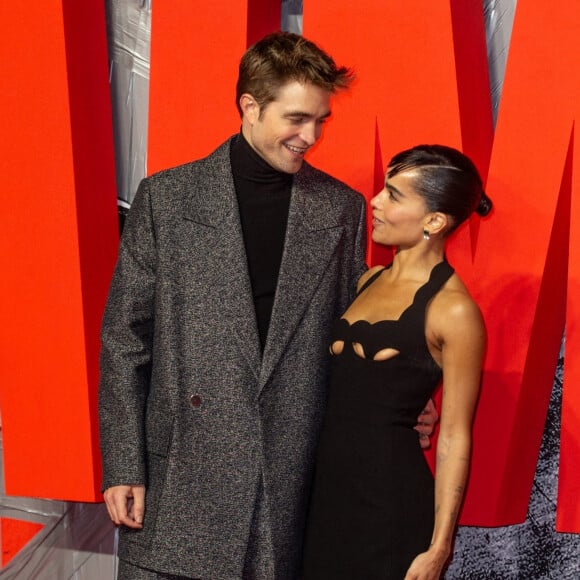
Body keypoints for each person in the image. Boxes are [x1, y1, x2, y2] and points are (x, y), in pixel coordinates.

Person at [98, 32, 436, 580]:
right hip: (179, 484)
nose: (311, 136)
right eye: (297, 118)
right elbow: (125, 341)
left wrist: (401, 400)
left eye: (321, 120)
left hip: (289, 485)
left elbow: (347, 340)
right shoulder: (168, 198)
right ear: (250, 106)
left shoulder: (340, 210)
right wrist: (123, 465)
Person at [302, 144, 492, 580]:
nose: (375, 201)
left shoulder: (454, 311)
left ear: (434, 221)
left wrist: (438, 548)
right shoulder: (368, 278)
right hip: (325, 501)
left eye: (394, 195)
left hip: (389, 508)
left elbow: (455, 440)